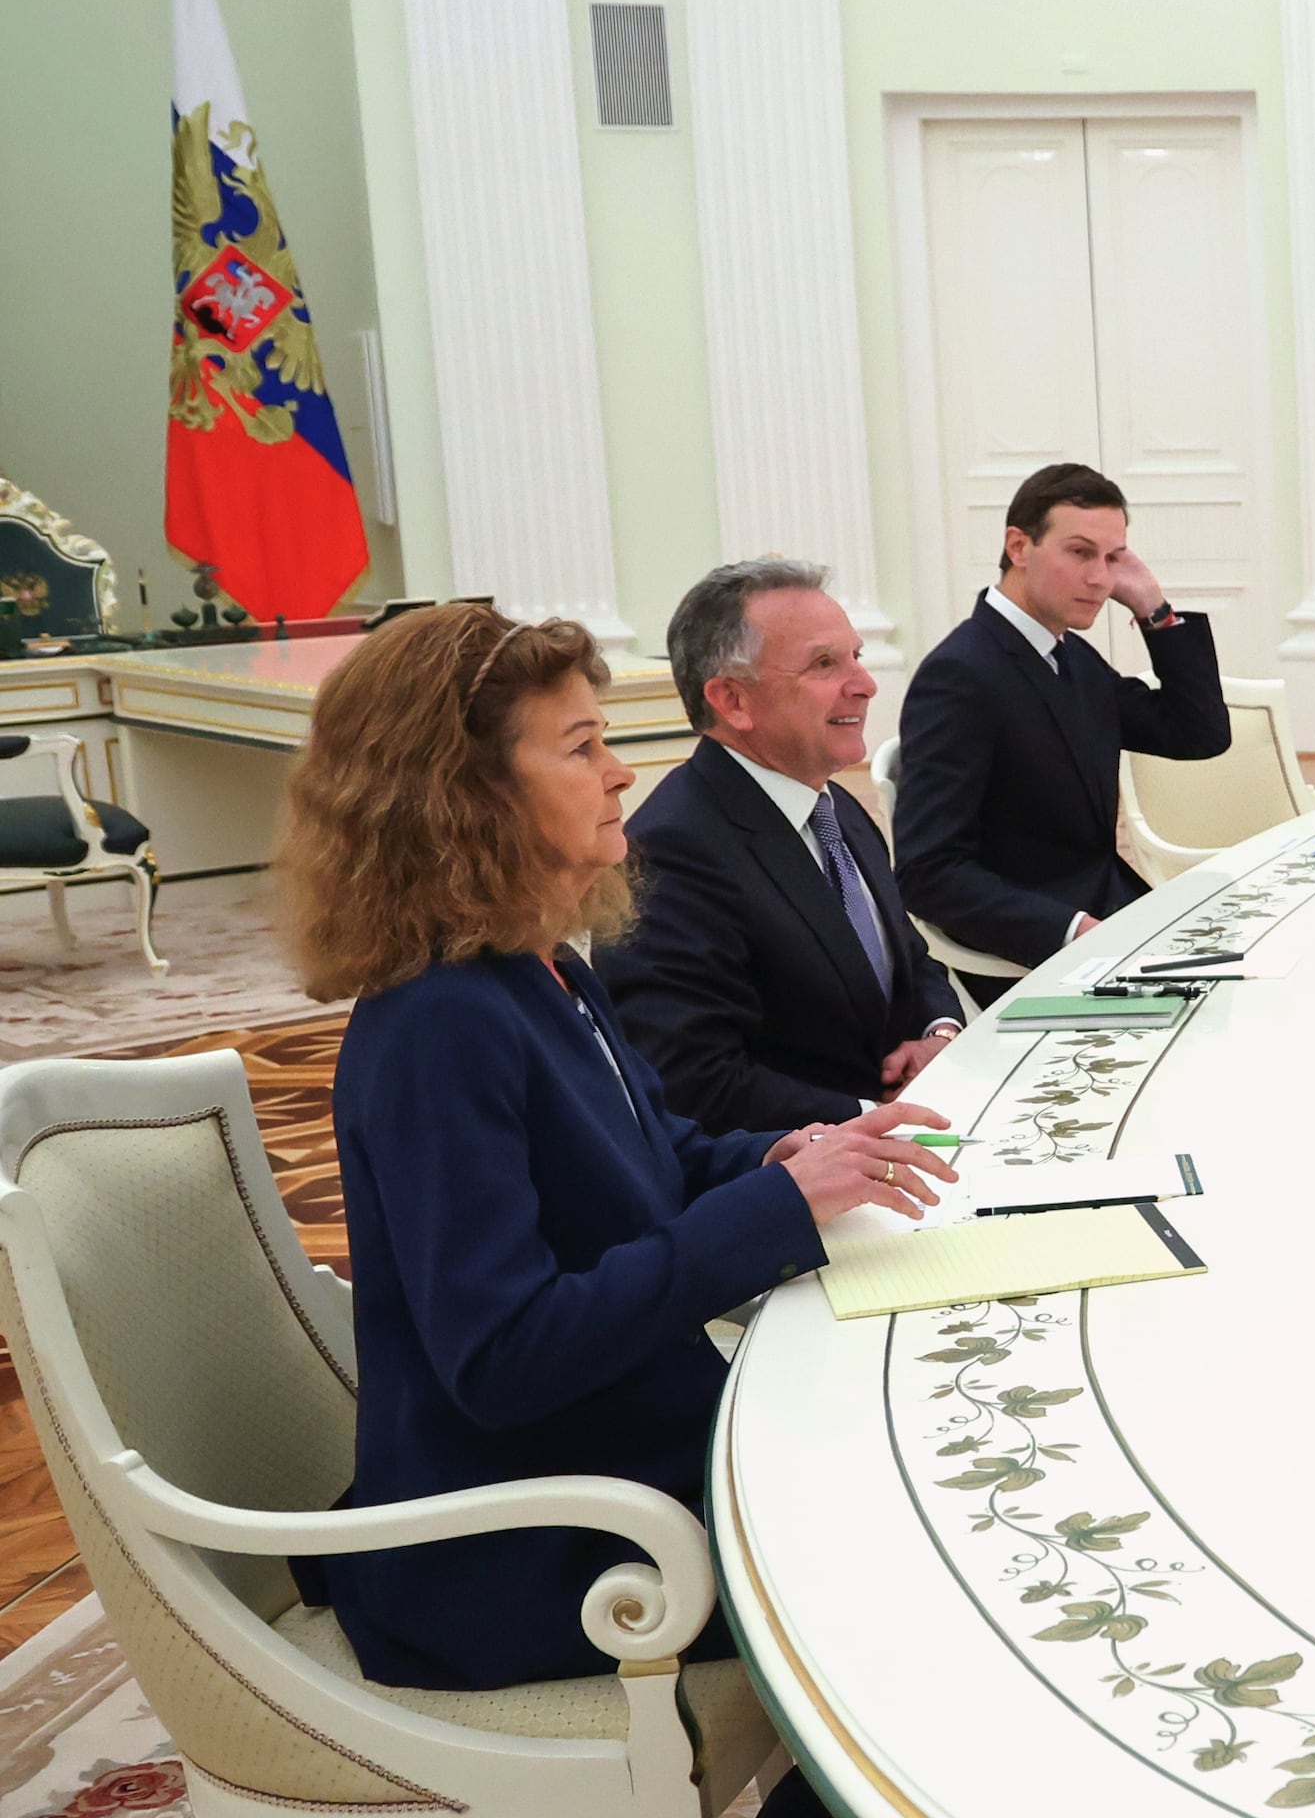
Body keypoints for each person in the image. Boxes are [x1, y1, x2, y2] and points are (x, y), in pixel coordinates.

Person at [275, 603, 953, 1810]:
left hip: (608, 1457)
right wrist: (776, 1211)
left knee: (917, 1494)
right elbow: (503, 1357)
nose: (622, 769)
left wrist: (786, 1151)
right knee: (917, 1571)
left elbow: (654, 1155)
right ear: (464, 794)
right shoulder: (439, 1022)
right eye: (580, 746)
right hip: (516, 1547)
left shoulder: (536, 965)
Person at [603, 559, 968, 1137]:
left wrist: (937, 1035)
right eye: (825, 663)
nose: (865, 684)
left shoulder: (833, 805)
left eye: (856, 657)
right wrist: (877, 1120)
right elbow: (693, 1079)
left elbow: (909, 959)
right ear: (732, 700)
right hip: (802, 1171)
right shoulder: (673, 849)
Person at [894, 462, 1231, 992]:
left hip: (1111, 915)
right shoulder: (961, 675)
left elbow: (1197, 734)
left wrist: (1154, 609)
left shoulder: (1068, 655)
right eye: (1080, 553)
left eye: (1113, 558)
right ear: (1019, 547)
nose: (1100, 577)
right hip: (1036, 957)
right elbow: (928, 873)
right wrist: (1072, 932)